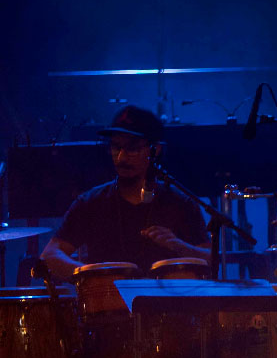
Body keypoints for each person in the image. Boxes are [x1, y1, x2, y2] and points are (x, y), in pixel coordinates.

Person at [40, 105, 210, 280]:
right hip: (106, 302)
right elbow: (50, 255)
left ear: (155, 150)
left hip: (164, 304)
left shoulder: (180, 202)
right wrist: (92, 274)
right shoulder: (91, 202)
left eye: (132, 148)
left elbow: (211, 259)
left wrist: (178, 245)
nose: (121, 157)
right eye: (115, 147)